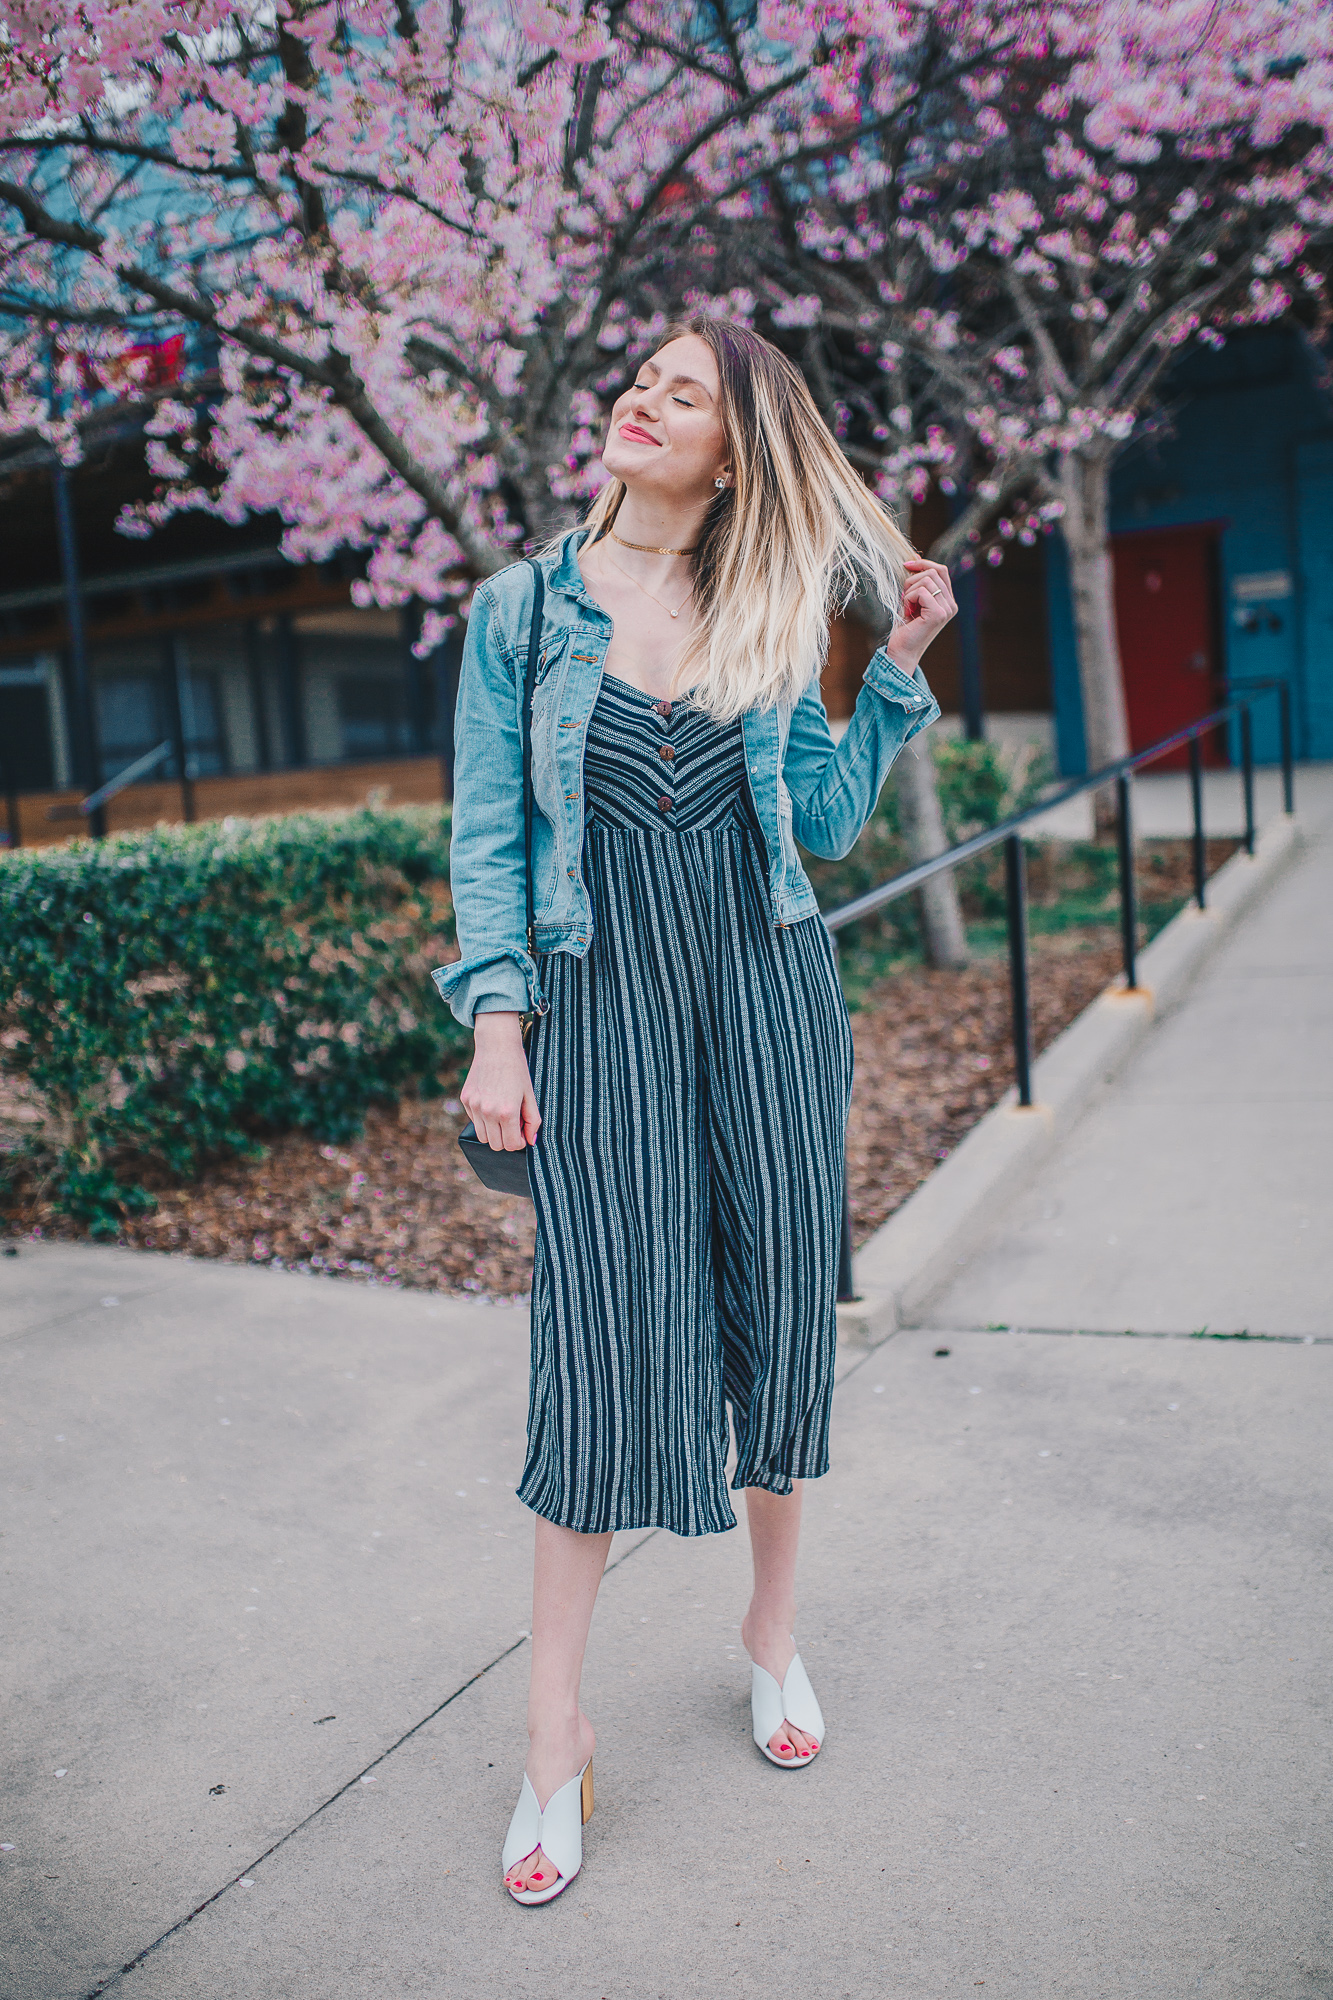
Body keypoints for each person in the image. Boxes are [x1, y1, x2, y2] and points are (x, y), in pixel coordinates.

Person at [435, 316, 954, 1905]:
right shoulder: (519, 613)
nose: (642, 404)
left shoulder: (769, 598)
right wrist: (497, 1033)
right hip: (599, 1020)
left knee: (779, 1316)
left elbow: (813, 821)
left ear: (735, 449)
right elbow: (490, 844)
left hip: (767, 1005)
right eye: (640, 381)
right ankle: (552, 1732)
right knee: (597, 1349)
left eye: (683, 393)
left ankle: (770, 1633)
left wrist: (899, 680)